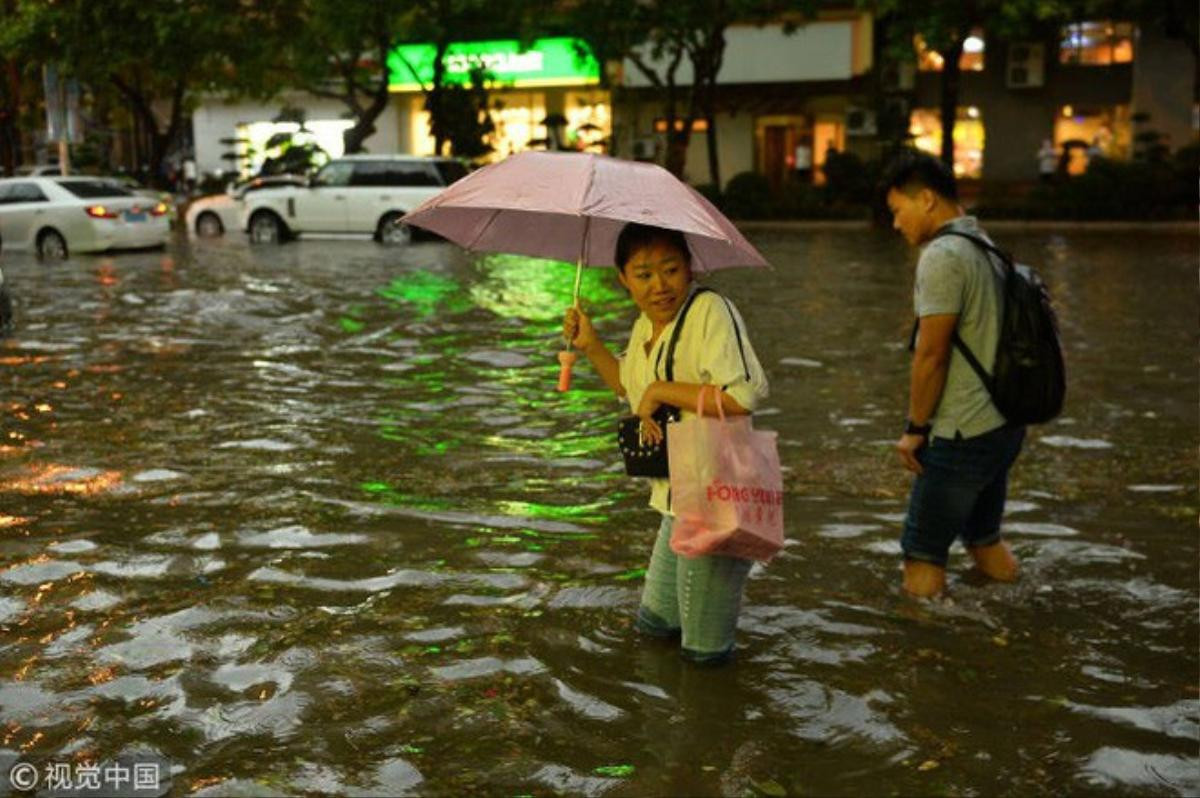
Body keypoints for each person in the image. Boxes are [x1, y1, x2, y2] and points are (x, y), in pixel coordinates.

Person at [563, 223, 769, 663]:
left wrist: (662, 389)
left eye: (671, 269)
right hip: (674, 500)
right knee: (655, 629)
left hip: (716, 498)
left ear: (689, 267)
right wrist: (591, 344)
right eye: (643, 274)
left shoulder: (711, 310)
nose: (660, 286)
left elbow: (743, 395)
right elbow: (631, 390)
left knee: (704, 656)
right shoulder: (644, 327)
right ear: (622, 278)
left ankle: (705, 724)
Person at [881, 150, 1024, 598]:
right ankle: (1024, 619)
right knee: (984, 542)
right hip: (1002, 424)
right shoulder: (987, 246)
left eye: (897, 210)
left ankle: (926, 653)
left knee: (922, 553)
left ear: (925, 199)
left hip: (961, 431)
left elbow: (932, 355)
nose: (895, 223)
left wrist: (915, 429)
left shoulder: (943, 256)